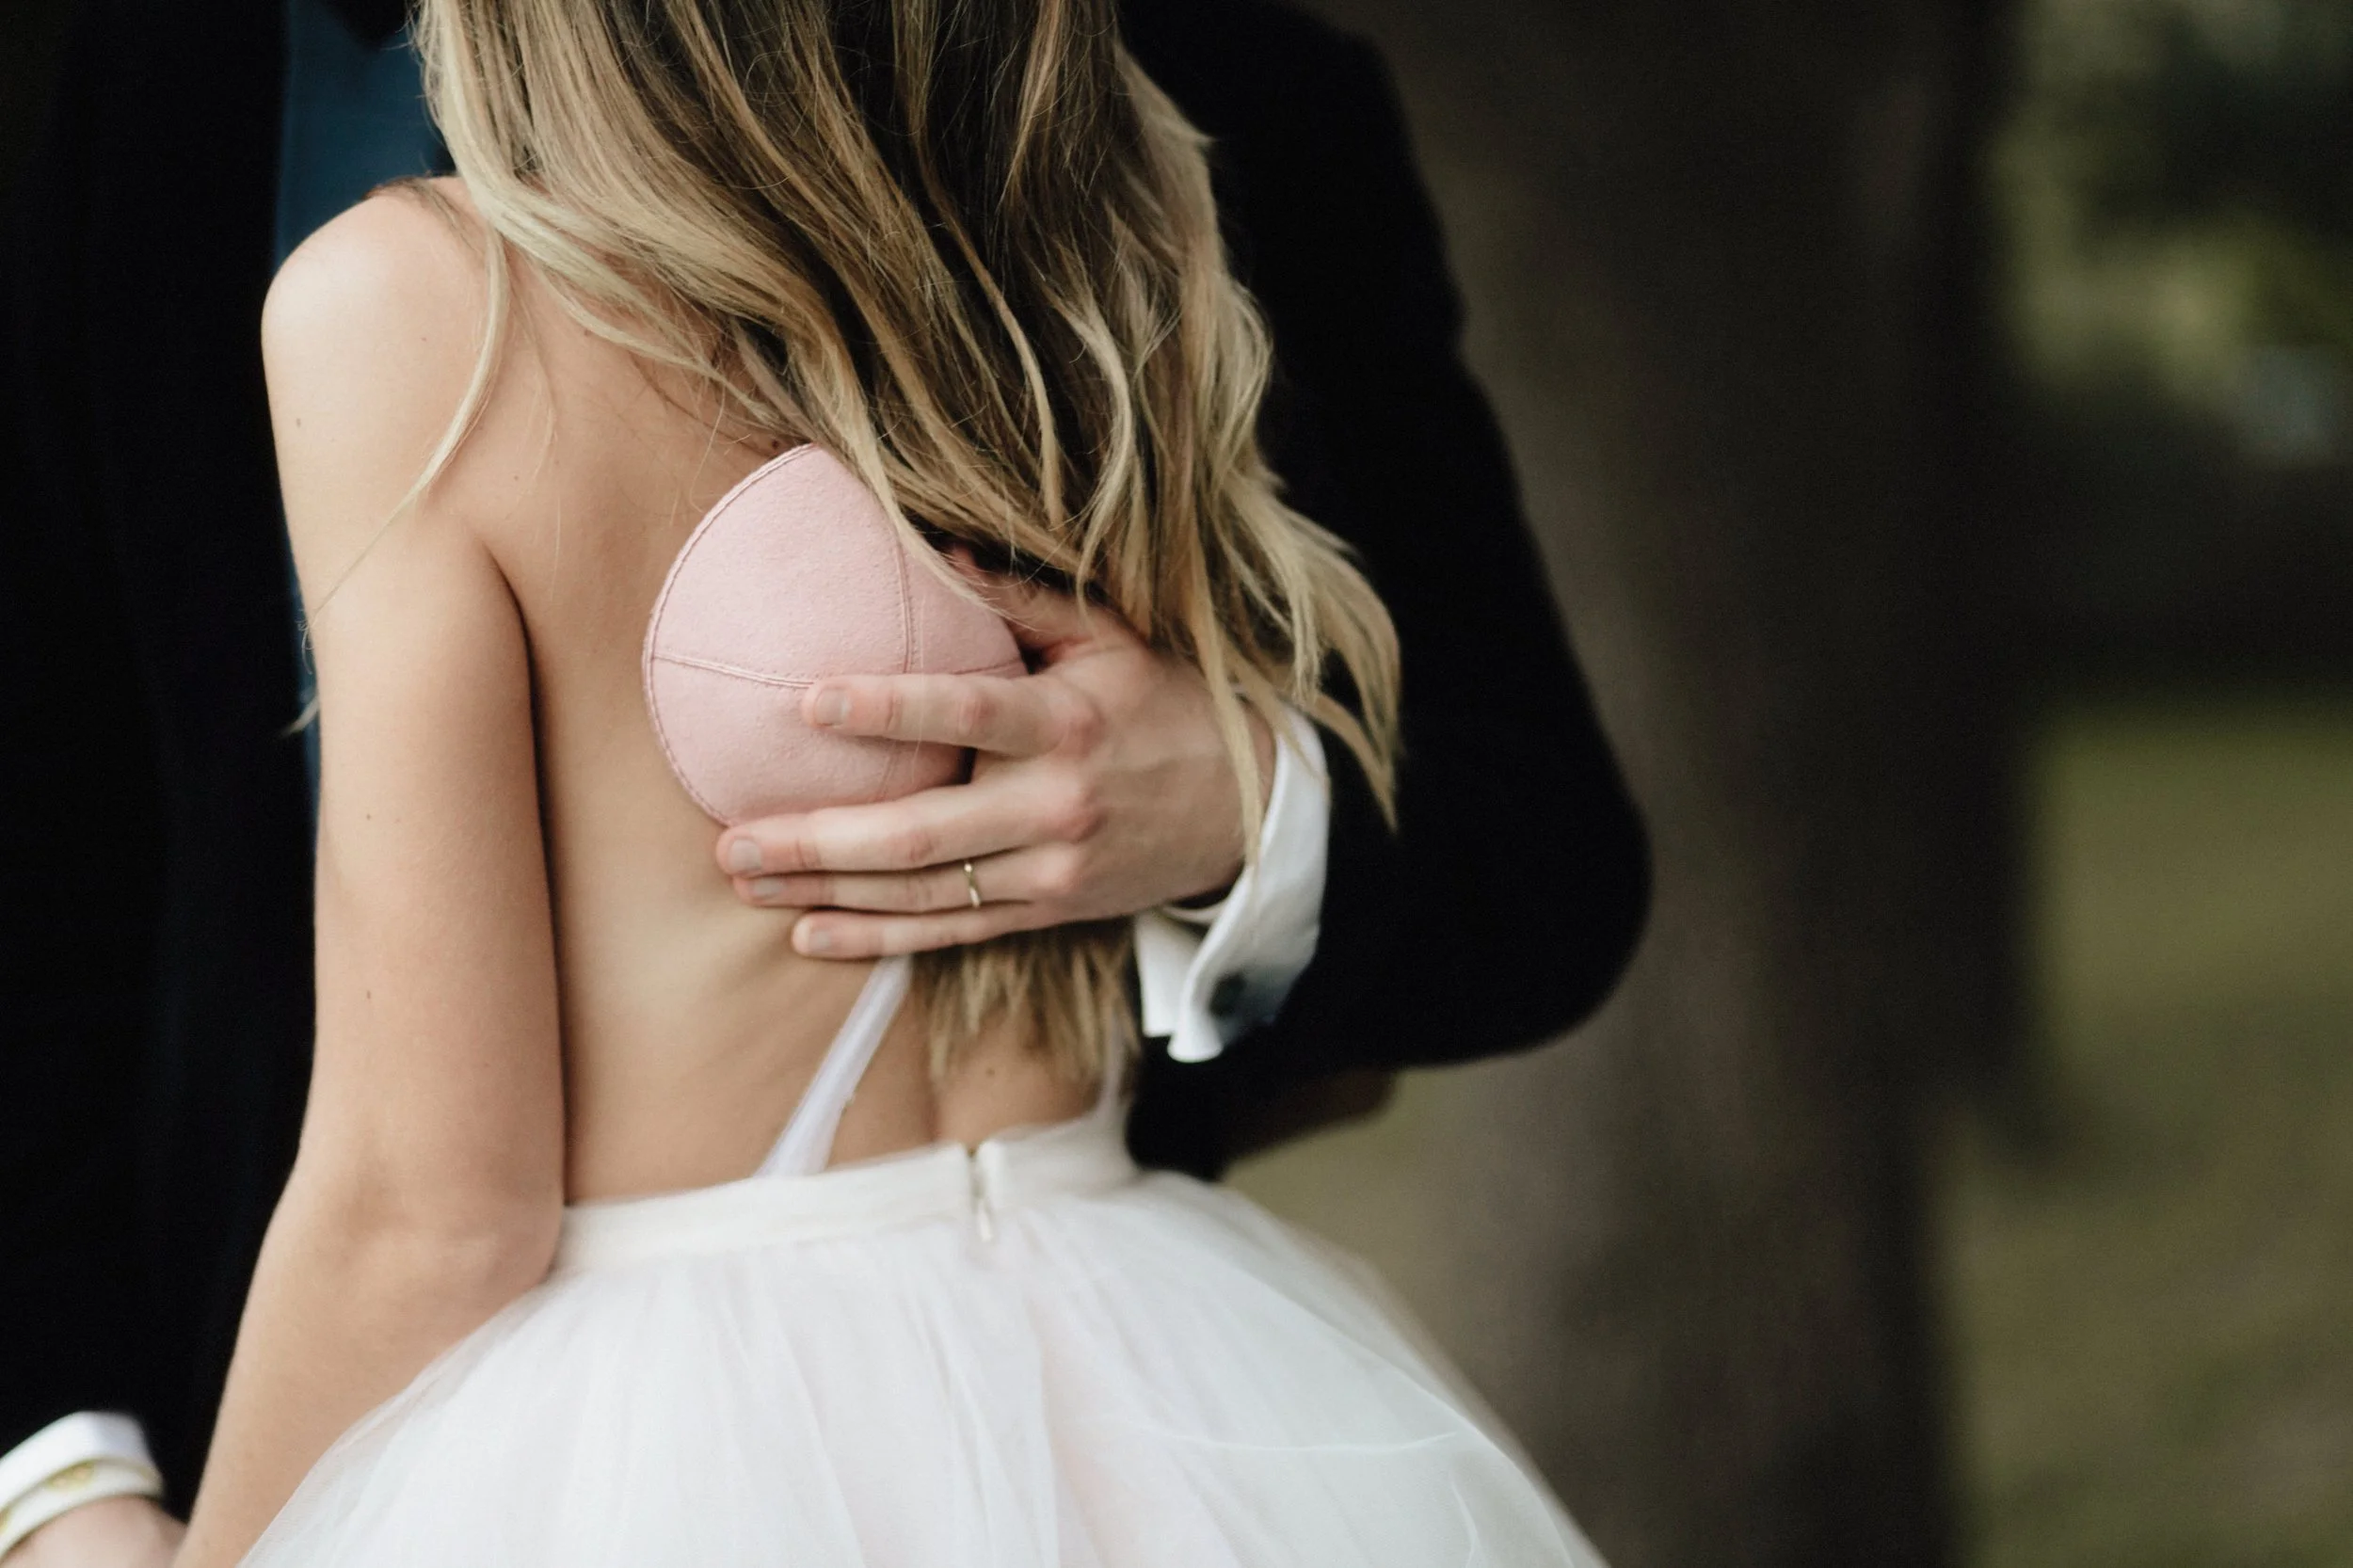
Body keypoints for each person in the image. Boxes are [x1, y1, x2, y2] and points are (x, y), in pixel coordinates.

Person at [0, 0, 1648, 1560]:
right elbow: (54, 850)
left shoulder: (409, 302)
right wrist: (56, 1467)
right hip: (1151, 1380)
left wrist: (1241, 807)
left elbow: (434, 1210)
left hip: (613, 1422)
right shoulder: (1128, 203)